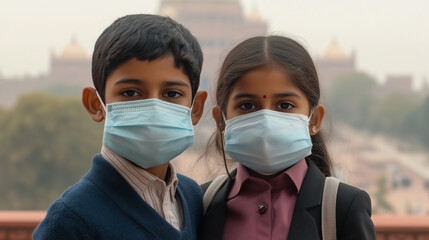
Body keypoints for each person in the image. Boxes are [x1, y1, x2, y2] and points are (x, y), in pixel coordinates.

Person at [33, 14, 207, 239]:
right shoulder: (70, 220)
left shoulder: (192, 197)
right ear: (96, 105)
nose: (154, 107)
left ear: (195, 109)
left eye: (171, 94)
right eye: (131, 93)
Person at [200, 36, 376, 239]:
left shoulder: (342, 207)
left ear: (315, 120)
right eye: (247, 106)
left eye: (285, 105)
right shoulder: (202, 204)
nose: (266, 119)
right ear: (220, 120)